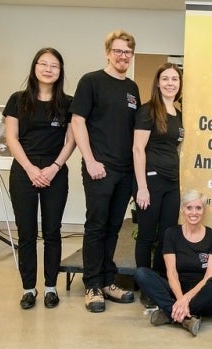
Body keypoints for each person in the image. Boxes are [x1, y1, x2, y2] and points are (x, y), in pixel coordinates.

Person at [70, 30, 141, 313]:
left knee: (114, 227)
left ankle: (108, 280)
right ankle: (92, 285)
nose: (123, 56)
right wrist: (89, 160)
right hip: (99, 168)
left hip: (125, 172)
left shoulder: (133, 88)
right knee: (96, 227)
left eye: (128, 52)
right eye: (118, 50)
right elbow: (77, 122)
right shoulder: (91, 81)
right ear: (108, 52)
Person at [4, 48, 75, 309]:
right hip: (24, 171)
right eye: (43, 64)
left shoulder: (68, 103)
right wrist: (32, 169)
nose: (48, 69)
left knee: (53, 232)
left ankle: (50, 287)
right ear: (34, 67)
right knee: (26, 233)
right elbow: (11, 138)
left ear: (60, 71)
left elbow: (72, 139)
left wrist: (55, 167)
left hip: (55, 172)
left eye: (54, 65)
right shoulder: (18, 100)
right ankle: (28, 289)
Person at [134, 190, 212, 336]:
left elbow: (209, 275)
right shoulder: (171, 233)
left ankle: (169, 313)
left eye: (198, 208)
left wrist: (186, 299)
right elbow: (171, 273)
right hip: (176, 289)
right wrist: (180, 299)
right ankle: (185, 318)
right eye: (189, 207)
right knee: (141, 273)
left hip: (202, 294)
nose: (194, 212)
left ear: (204, 210)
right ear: (182, 209)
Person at [133, 63, 184, 307]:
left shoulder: (178, 113)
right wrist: (142, 187)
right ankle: (145, 286)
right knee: (145, 236)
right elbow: (137, 148)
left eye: (175, 79)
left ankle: (158, 283)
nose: (170, 83)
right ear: (158, 82)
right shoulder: (147, 110)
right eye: (165, 78)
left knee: (166, 236)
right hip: (150, 181)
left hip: (173, 183)